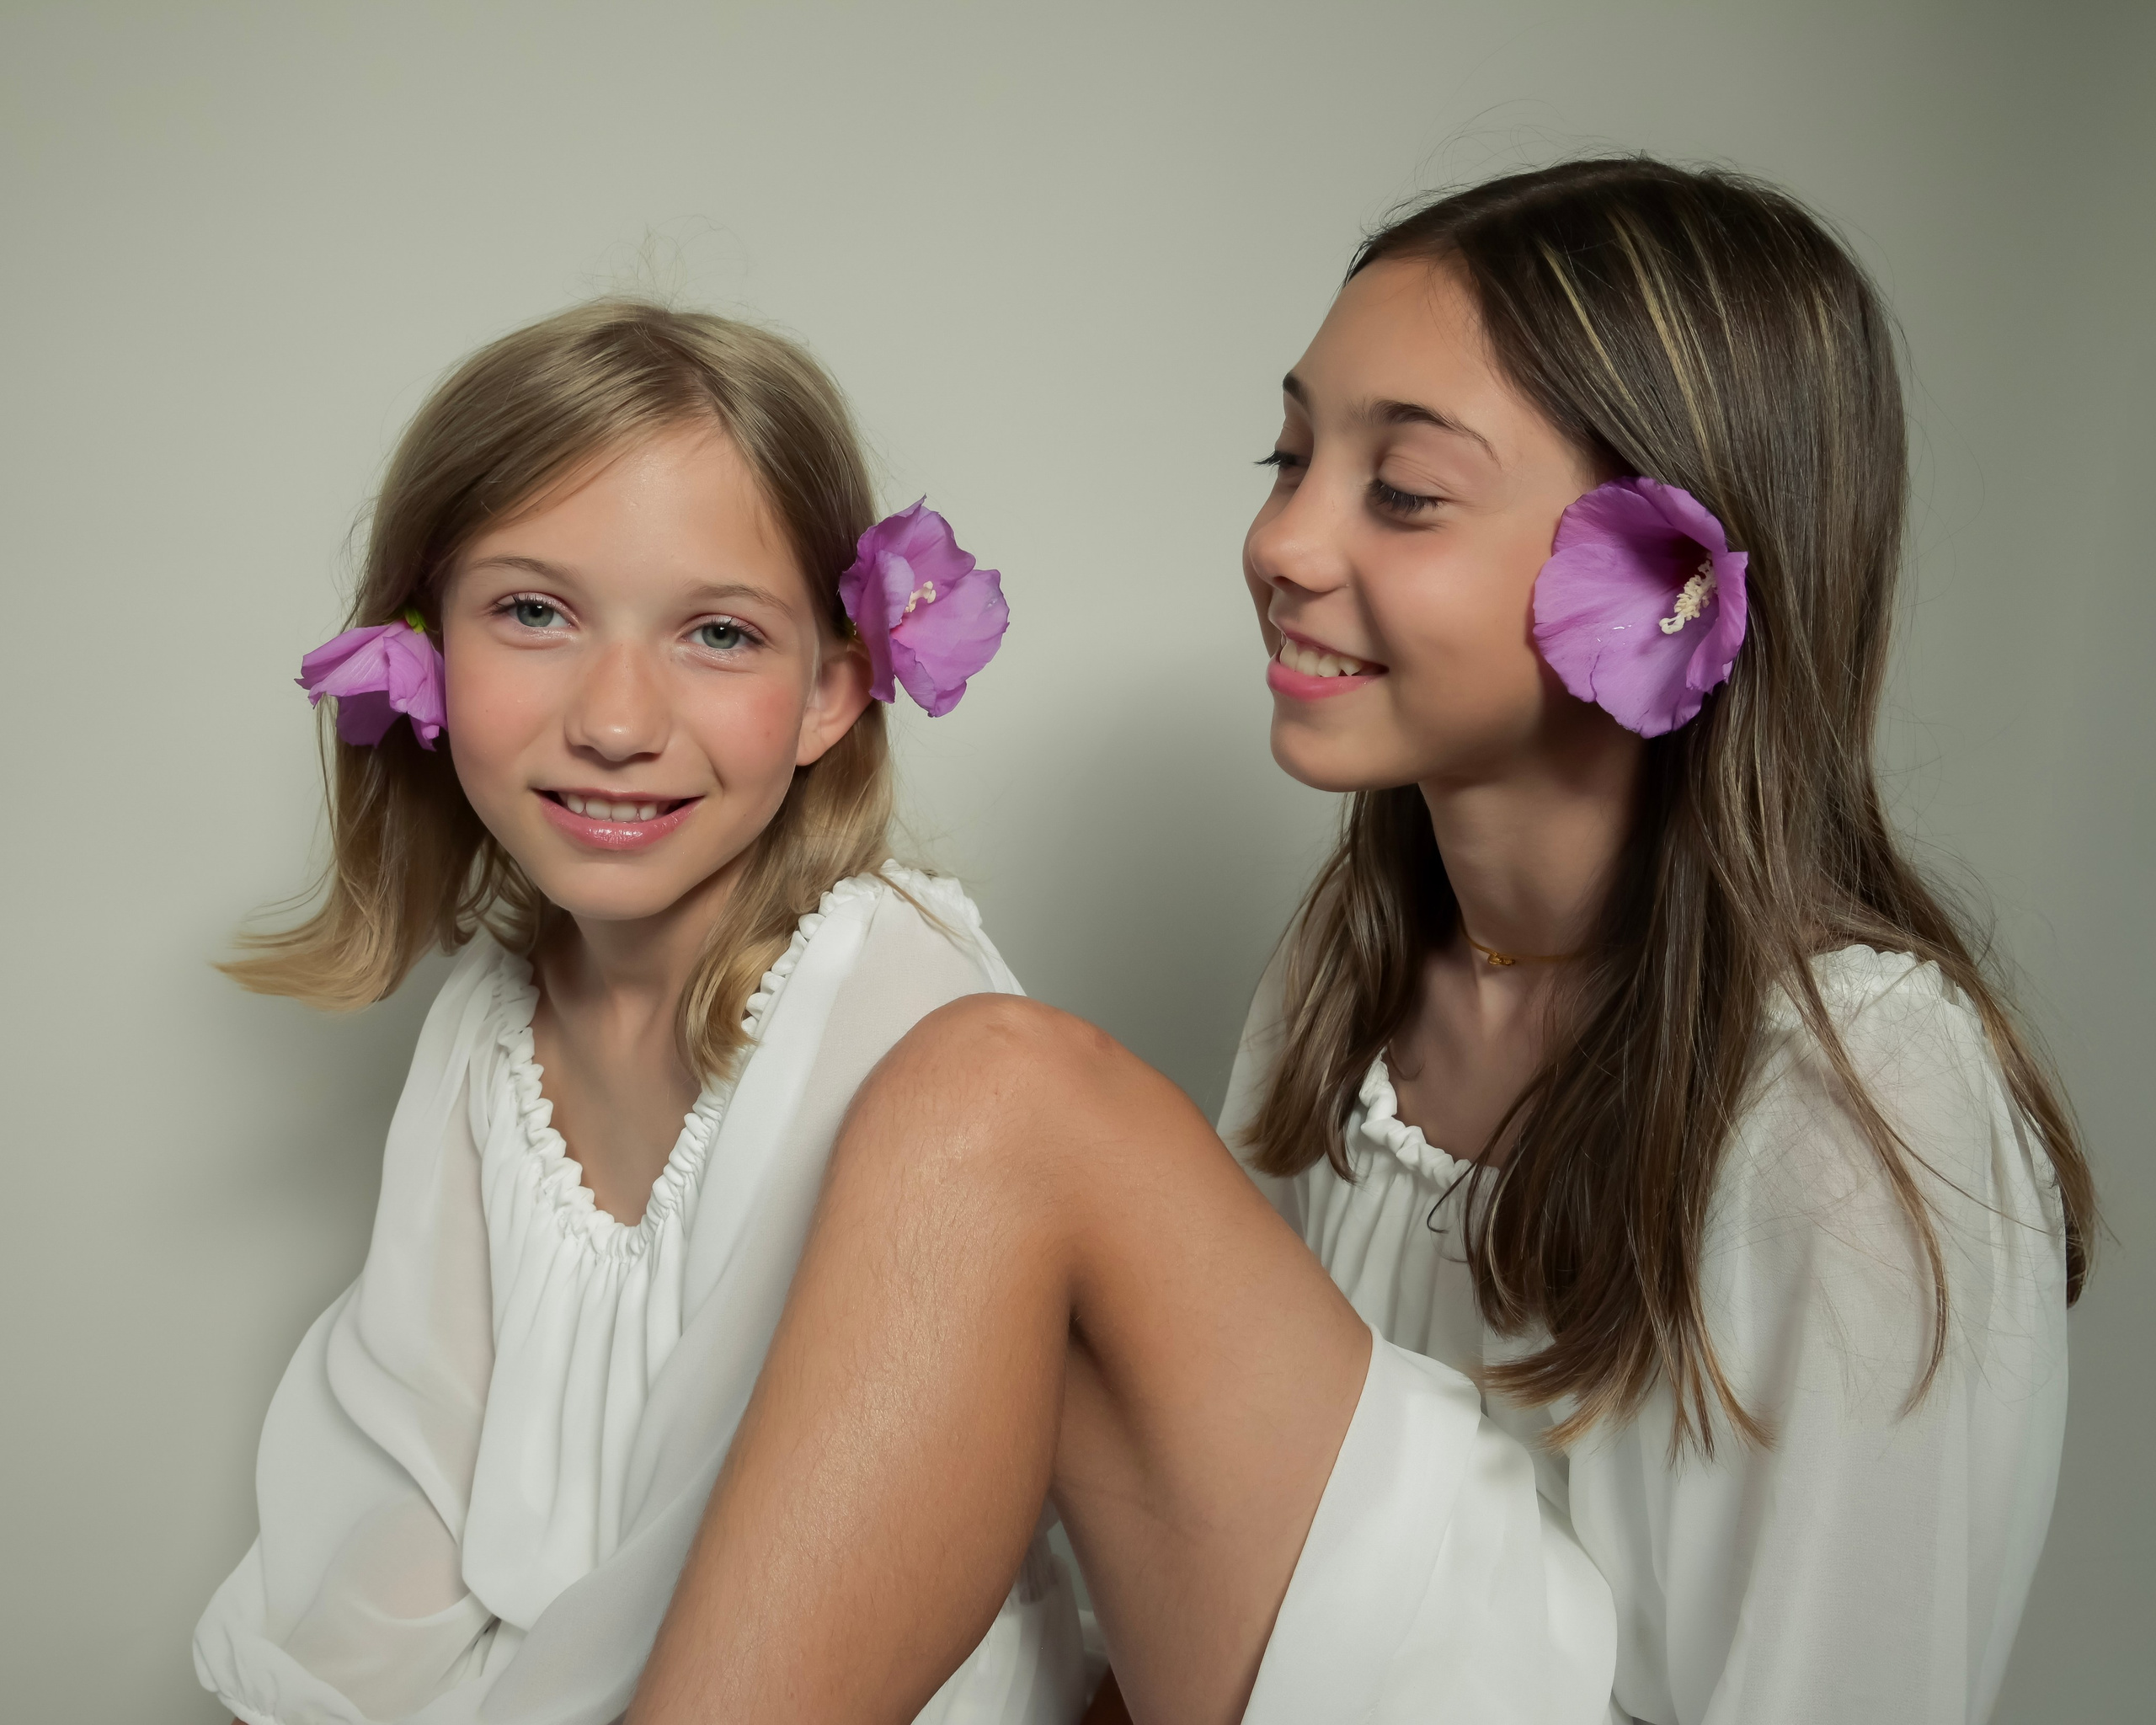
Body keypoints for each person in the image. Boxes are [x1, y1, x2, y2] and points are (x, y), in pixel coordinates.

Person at [622, 159, 2095, 1725]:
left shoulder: (1866, 1090)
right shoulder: (1350, 984)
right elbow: (1204, 1543)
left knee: (1002, 1090)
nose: (1283, 541)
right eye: (1290, 456)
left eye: (1403, 491)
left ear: (1680, 572)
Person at [192, 302, 1089, 1725]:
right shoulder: (488, 1030)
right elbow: (404, 1482)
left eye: (719, 634)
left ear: (831, 692)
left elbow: (781, 1574)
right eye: (535, 612)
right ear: (422, 654)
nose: (617, 718)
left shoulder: (891, 999)